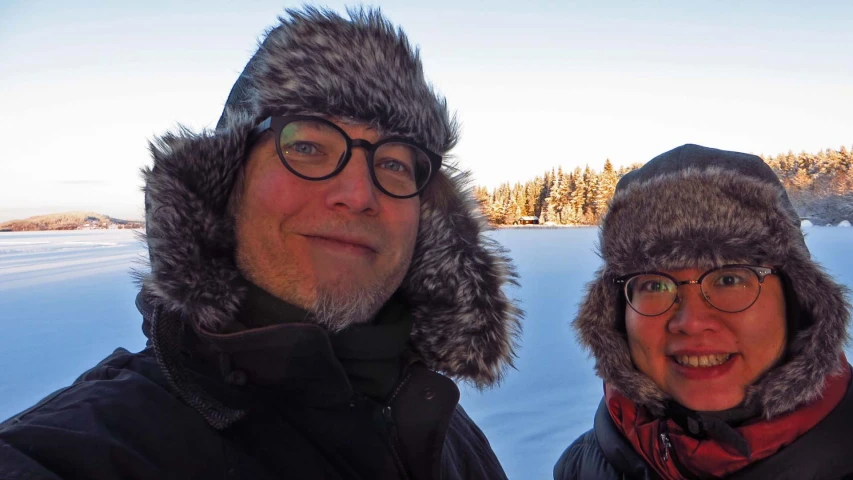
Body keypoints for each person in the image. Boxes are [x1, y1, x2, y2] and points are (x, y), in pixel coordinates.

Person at [0, 8, 522, 480]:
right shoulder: (88, 449)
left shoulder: (439, 425)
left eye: (392, 162)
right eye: (309, 146)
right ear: (228, 183)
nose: (359, 193)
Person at [554, 144, 853, 479]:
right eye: (655, 285)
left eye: (729, 279)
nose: (691, 322)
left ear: (797, 299)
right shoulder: (582, 468)